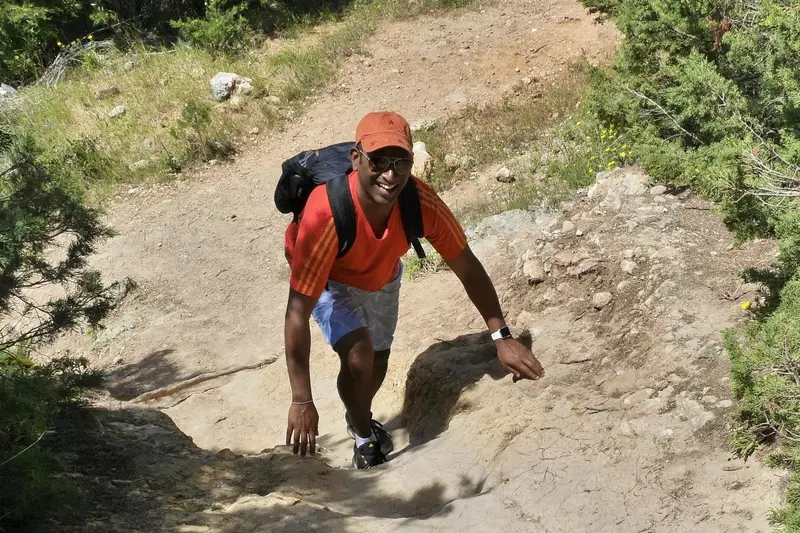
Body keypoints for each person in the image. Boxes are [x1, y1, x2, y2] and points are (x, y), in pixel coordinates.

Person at [283, 111, 545, 469]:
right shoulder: (325, 214)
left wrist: (501, 336)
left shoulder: (419, 201)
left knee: (377, 360)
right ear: (356, 159)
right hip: (328, 275)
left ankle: (357, 412)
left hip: (381, 272)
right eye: (378, 161)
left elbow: (466, 266)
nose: (390, 175)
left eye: (401, 161)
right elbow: (297, 311)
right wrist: (301, 400)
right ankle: (363, 435)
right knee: (358, 354)